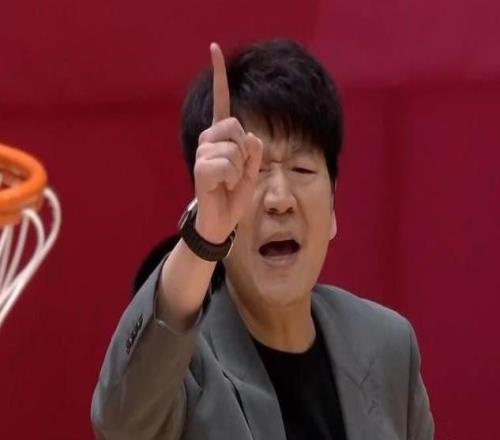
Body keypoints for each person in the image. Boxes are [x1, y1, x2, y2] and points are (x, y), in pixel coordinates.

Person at [91, 39, 434, 440]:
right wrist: (204, 238)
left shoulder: (389, 346)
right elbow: (120, 423)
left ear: (333, 205)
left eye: (302, 169)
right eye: (253, 173)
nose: (280, 199)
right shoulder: (181, 367)